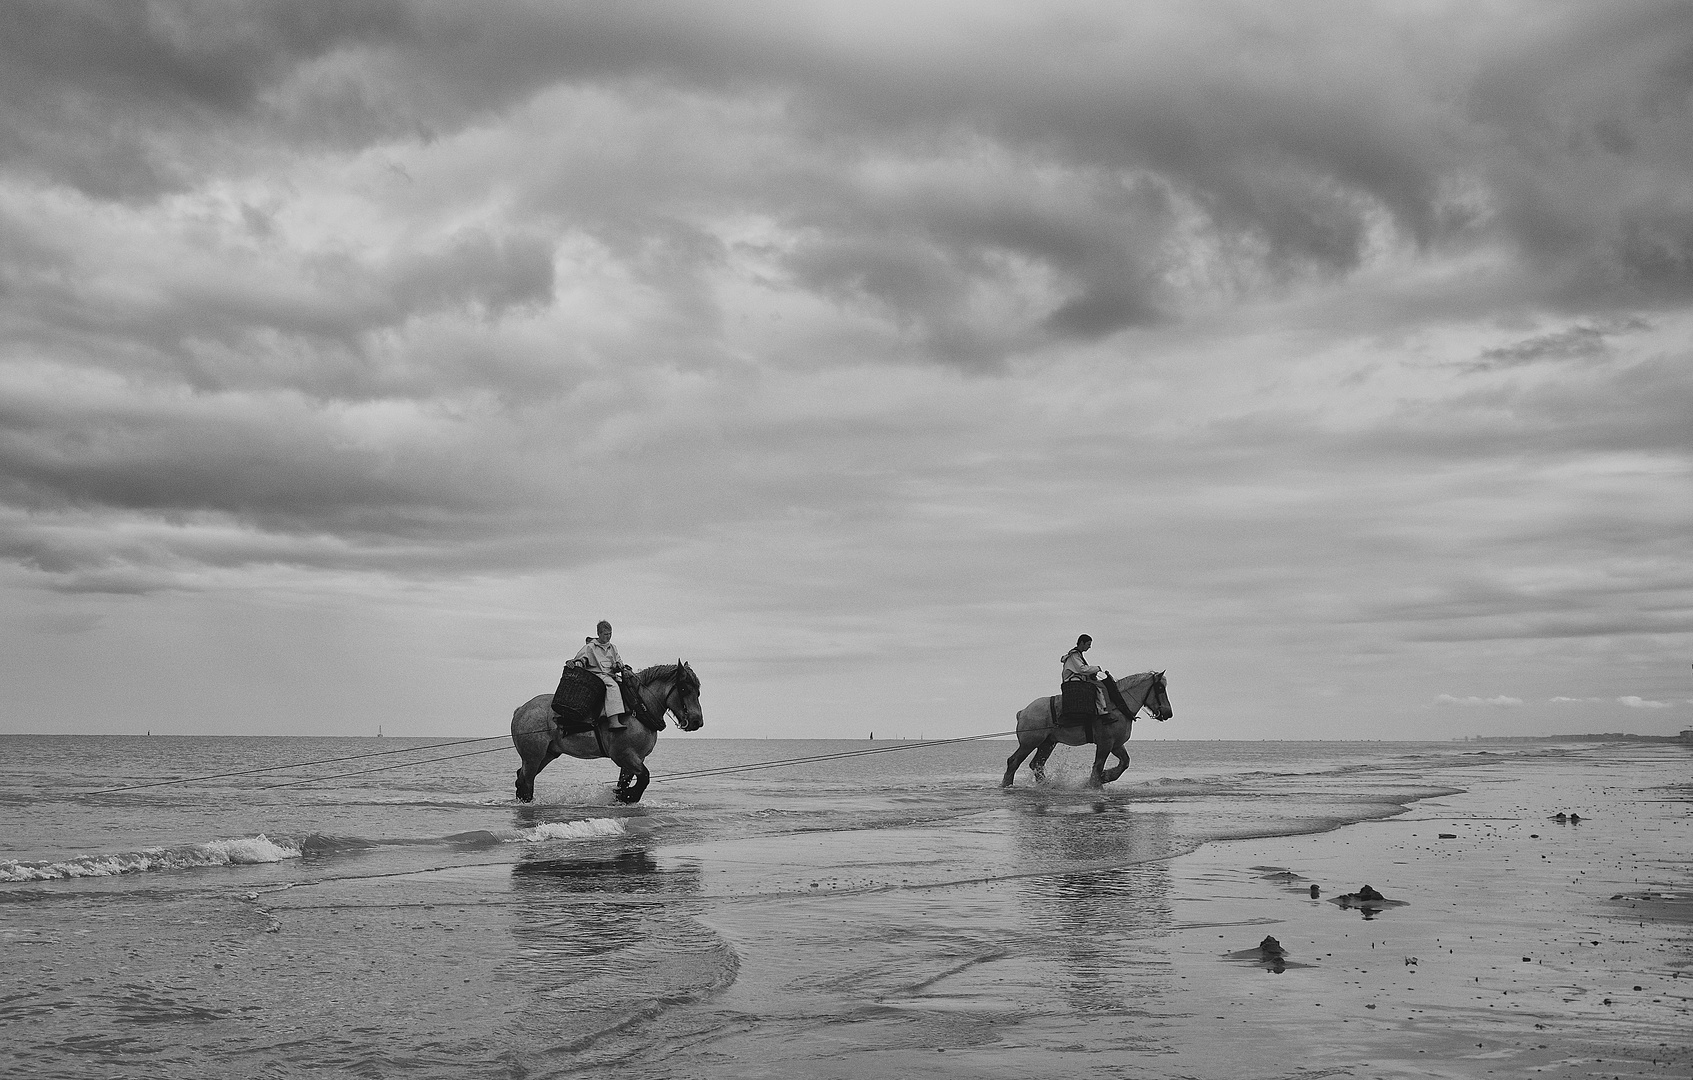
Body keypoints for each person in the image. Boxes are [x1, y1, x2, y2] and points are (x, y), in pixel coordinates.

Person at [573, 620, 631, 731]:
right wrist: (578, 663)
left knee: (628, 684)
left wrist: (618, 665)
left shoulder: (613, 648)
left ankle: (628, 713)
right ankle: (613, 721)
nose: (608, 636)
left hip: (611, 674)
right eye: (605, 634)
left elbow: (619, 661)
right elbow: (580, 659)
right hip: (596, 675)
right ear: (599, 633)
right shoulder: (590, 647)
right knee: (612, 686)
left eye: (610, 634)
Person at [1059, 634, 1107, 740]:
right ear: (1082, 643)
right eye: (1088, 644)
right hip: (1073, 681)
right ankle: (1101, 711)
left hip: (1078, 679)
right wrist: (1096, 668)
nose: (1089, 647)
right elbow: (1082, 669)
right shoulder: (1074, 655)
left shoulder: (1078, 655)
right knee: (1096, 689)